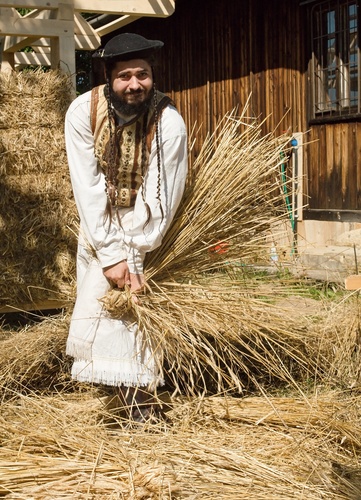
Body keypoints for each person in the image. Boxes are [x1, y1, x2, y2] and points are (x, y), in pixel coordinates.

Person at [64, 33, 188, 423]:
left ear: (153, 76)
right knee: (100, 308)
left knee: (135, 315)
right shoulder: (82, 113)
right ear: (108, 77)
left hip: (148, 229)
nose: (135, 85)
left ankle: (142, 406)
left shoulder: (169, 122)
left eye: (143, 75)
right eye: (124, 76)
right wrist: (110, 253)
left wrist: (132, 256)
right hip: (97, 223)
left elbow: (161, 195)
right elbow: (87, 186)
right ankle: (113, 390)